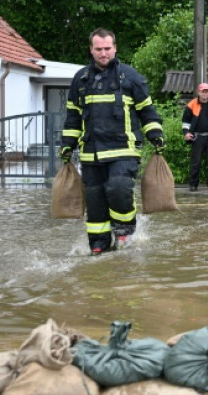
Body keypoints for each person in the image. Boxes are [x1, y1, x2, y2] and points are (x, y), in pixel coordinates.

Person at [58, 28, 165, 254]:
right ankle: (98, 246)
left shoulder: (131, 77)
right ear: (91, 50)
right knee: (95, 201)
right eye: (99, 49)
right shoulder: (80, 80)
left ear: (115, 48)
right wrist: (67, 143)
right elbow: (73, 118)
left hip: (123, 150)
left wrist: (155, 134)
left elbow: (147, 111)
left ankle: (124, 232)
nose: (104, 53)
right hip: (91, 154)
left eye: (108, 49)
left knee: (119, 188)